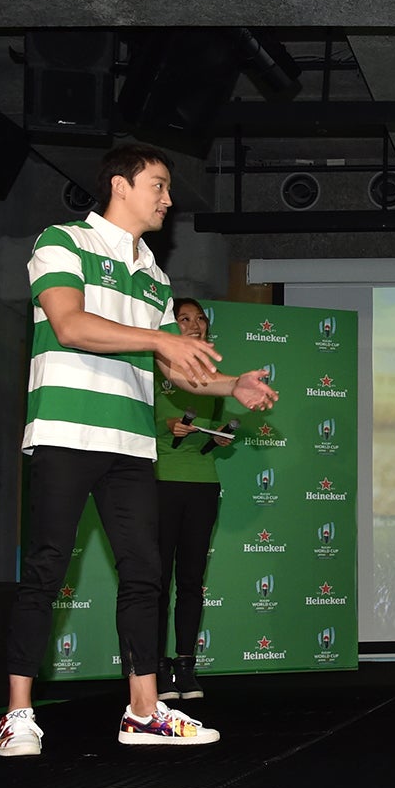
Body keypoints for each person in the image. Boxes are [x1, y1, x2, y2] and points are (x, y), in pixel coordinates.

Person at [0, 144, 278, 758]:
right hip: (66, 432)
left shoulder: (153, 275)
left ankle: (144, 712)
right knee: (45, 569)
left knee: (145, 573)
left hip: (130, 444)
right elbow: (70, 326)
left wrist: (232, 386)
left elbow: (177, 369)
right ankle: (18, 714)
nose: (169, 199)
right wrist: (160, 341)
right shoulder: (63, 241)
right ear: (120, 186)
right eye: (159, 185)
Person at [153, 298, 235, 702]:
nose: (194, 324)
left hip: (202, 483)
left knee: (190, 580)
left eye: (199, 318)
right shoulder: (156, 364)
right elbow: (142, 423)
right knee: (155, 581)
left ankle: (186, 666)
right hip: (161, 481)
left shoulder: (212, 377)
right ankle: (154, 668)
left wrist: (217, 438)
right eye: (184, 318)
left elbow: (206, 435)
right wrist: (168, 425)